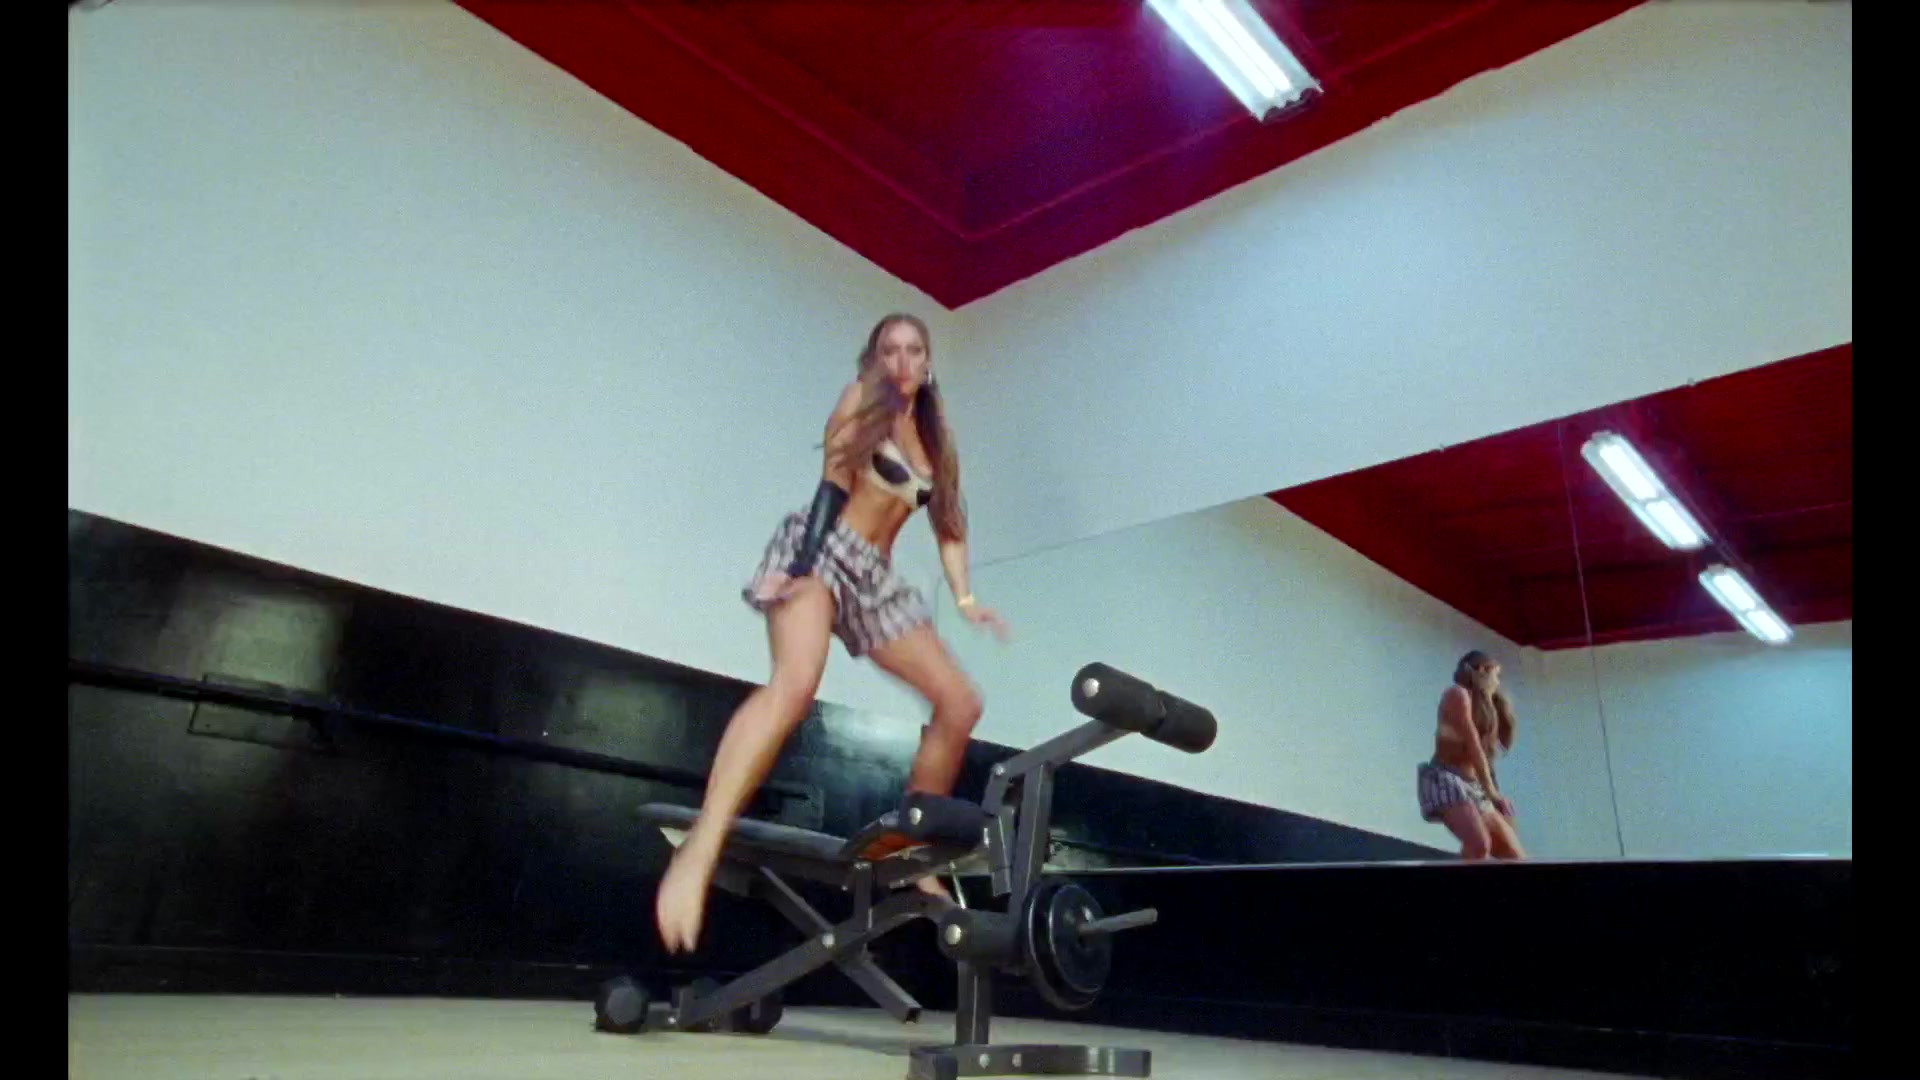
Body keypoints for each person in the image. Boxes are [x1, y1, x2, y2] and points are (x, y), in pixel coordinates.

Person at [654, 313, 1010, 954]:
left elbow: (949, 526)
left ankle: (915, 852)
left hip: (874, 578)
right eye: (889, 350)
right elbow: (833, 484)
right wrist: (798, 570)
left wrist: (965, 599)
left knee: (961, 702)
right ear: (874, 359)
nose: (901, 362)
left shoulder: (934, 441)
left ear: (928, 362)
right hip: (822, 549)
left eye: (913, 350)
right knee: (795, 685)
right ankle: (701, 849)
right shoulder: (859, 404)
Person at [1418, 650, 1525, 860]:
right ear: (1482, 671)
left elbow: (1486, 760)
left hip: (1474, 787)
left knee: (1515, 856)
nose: (1497, 682)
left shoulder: (1486, 708)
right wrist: (1492, 793)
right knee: (1479, 843)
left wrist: (1494, 797)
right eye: (1496, 675)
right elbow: (1472, 745)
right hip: (1447, 780)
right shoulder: (1457, 695)